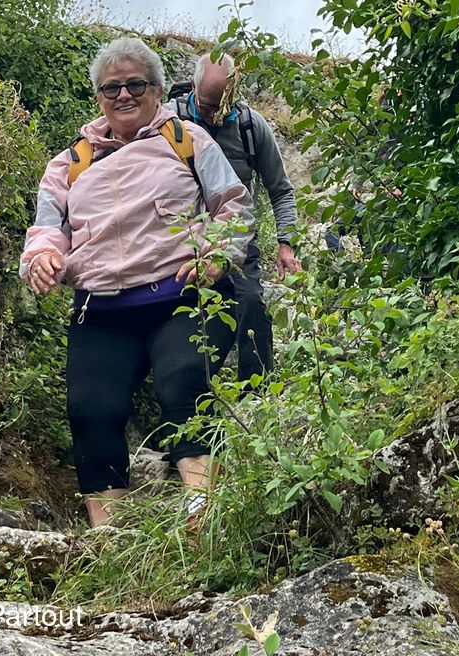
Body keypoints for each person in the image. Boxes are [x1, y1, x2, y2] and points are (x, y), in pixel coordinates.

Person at [20, 37, 253, 527]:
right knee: (91, 409)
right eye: (112, 87)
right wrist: (42, 257)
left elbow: (233, 206)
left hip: (185, 294)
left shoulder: (188, 139)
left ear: (158, 90)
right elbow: (46, 228)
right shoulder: (70, 163)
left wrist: (217, 255)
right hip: (103, 307)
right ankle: (110, 542)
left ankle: (202, 521)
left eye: (135, 84)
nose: (123, 95)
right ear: (98, 97)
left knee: (183, 382)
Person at [168, 53, 299, 381]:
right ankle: (186, 391)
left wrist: (286, 242)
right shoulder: (168, 122)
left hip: (236, 240)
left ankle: (257, 392)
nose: (215, 116)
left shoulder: (250, 127)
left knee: (252, 303)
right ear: (193, 86)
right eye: (208, 106)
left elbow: (281, 190)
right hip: (178, 240)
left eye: (223, 106)